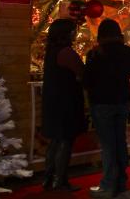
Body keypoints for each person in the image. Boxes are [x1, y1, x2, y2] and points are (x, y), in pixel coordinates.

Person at [84, 19, 130, 198]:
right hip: (121, 100)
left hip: (102, 102)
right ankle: (121, 181)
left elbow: (87, 79)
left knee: (108, 145)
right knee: (120, 141)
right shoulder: (126, 51)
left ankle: (108, 185)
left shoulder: (96, 53)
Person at [41, 19, 85, 192]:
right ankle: (60, 181)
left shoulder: (52, 51)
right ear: (66, 33)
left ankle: (48, 178)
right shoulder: (66, 52)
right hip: (66, 102)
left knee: (55, 141)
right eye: (73, 30)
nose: (76, 33)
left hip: (53, 102)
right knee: (65, 140)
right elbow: (82, 71)